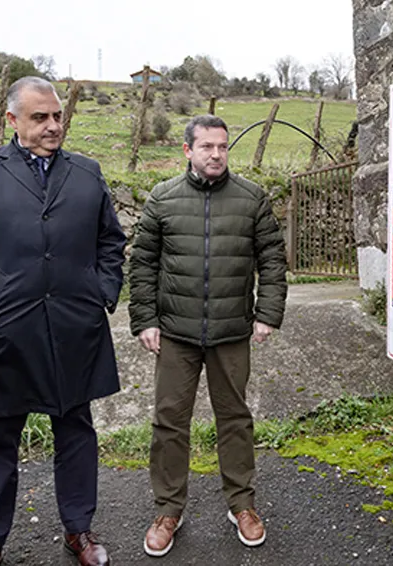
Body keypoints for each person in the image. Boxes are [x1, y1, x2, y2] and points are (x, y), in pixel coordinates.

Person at [0, 76, 126, 566]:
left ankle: (79, 531)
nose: (53, 126)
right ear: (12, 120)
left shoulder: (87, 173)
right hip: (7, 328)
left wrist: (101, 294)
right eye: (39, 118)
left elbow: (111, 242)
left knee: (76, 432)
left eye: (57, 116)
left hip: (74, 326)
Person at [129, 115, 287, 557]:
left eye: (222, 147)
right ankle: (168, 509)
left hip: (231, 332)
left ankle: (242, 503)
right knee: (168, 422)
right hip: (176, 334)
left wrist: (267, 313)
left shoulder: (252, 198)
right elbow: (142, 264)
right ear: (188, 151)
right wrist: (144, 319)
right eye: (207, 147)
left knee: (235, 418)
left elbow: (272, 259)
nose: (216, 154)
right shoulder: (162, 198)